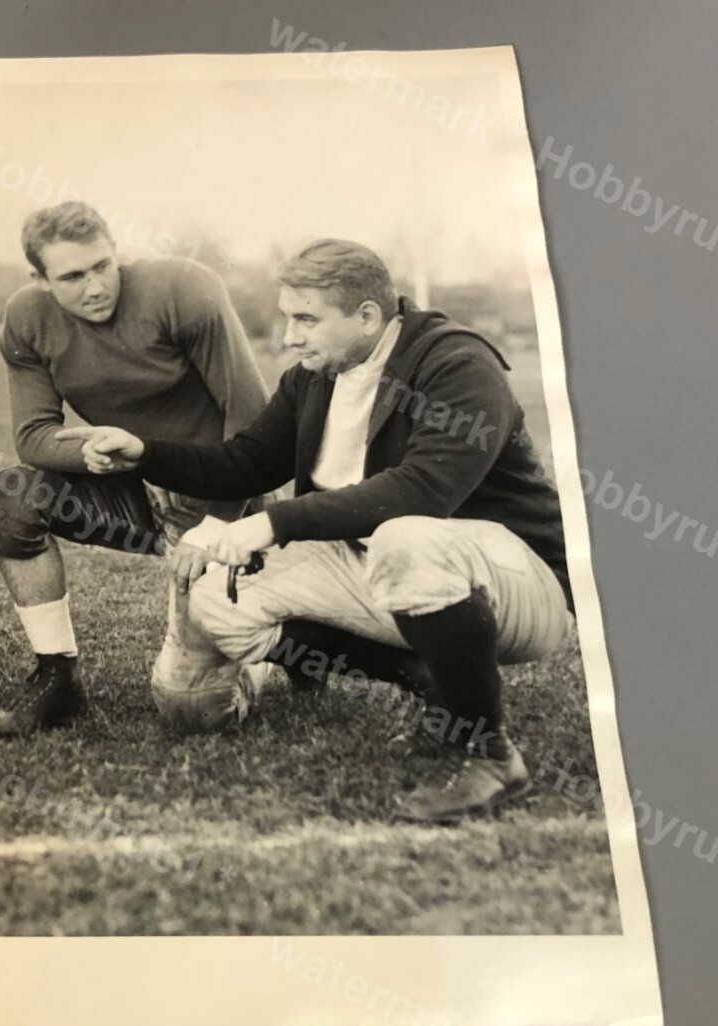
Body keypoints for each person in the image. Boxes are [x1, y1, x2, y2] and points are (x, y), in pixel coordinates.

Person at [61, 239, 572, 823]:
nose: (289, 336)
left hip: (512, 586)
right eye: (287, 317)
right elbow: (246, 462)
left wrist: (272, 523)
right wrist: (145, 453)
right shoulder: (316, 376)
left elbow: (422, 491)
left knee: (407, 536)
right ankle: (424, 675)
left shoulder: (455, 365)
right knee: (217, 596)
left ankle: (490, 754)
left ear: (367, 317)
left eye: (305, 318)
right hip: (387, 573)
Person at [0, 201, 271, 735]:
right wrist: (81, 455)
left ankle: (281, 643)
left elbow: (250, 418)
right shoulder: (26, 317)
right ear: (39, 279)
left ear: (117, 254)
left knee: (194, 707)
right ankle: (56, 675)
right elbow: (33, 435)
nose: (94, 286)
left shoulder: (182, 288)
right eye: (72, 276)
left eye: (101, 266)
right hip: (129, 492)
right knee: (12, 497)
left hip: (216, 495)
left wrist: (222, 522)